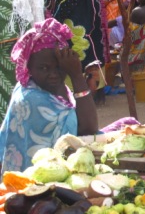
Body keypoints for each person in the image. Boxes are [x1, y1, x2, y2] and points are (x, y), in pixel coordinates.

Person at [0, 18, 98, 174]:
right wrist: (77, 76)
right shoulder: (30, 98)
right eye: (44, 68)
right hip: (34, 181)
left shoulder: (55, 88)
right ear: (29, 67)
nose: (53, 74)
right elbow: (87, 127)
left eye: (59, 67)